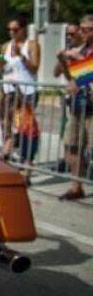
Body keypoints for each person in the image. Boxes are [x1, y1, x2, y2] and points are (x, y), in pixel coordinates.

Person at [55, 14, 93, 200]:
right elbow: (73, 77)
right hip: (78, 105)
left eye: (88, 29)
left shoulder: (84, 52)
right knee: (71, 145)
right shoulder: (80, 49)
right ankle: (76, 185)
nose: (83, 33)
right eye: (82, 29)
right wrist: (63, 60)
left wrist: (78, 57)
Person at [0, 15, 40, 160]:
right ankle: (7, 150)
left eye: (15, 29)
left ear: (22, 30)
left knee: (26, 128)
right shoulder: (5, 46)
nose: (12, 33)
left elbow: (34, 68)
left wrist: (21, 56)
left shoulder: (32, 44)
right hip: (8, 91)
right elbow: (2, 70)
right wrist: (0, 67)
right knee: (5, 123)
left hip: (25, 92)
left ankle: (27, 161)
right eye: (9, 29)